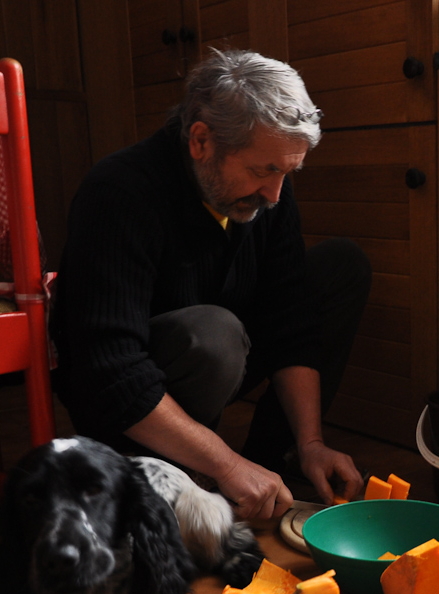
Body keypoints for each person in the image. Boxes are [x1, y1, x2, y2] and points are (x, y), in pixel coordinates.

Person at [50, 49, 370, 520]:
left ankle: (271, 465)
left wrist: (311, 443)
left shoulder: (268, 192)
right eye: (262, 170)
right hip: (125, 397)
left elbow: (291, 315)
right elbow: (108, 372)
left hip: (221, 358)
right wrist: (226, 463)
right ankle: (175, 476)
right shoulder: (118, 192)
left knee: (342, 265)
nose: (275, 194)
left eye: (286, 172)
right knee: (214, 333)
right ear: (201, 140)